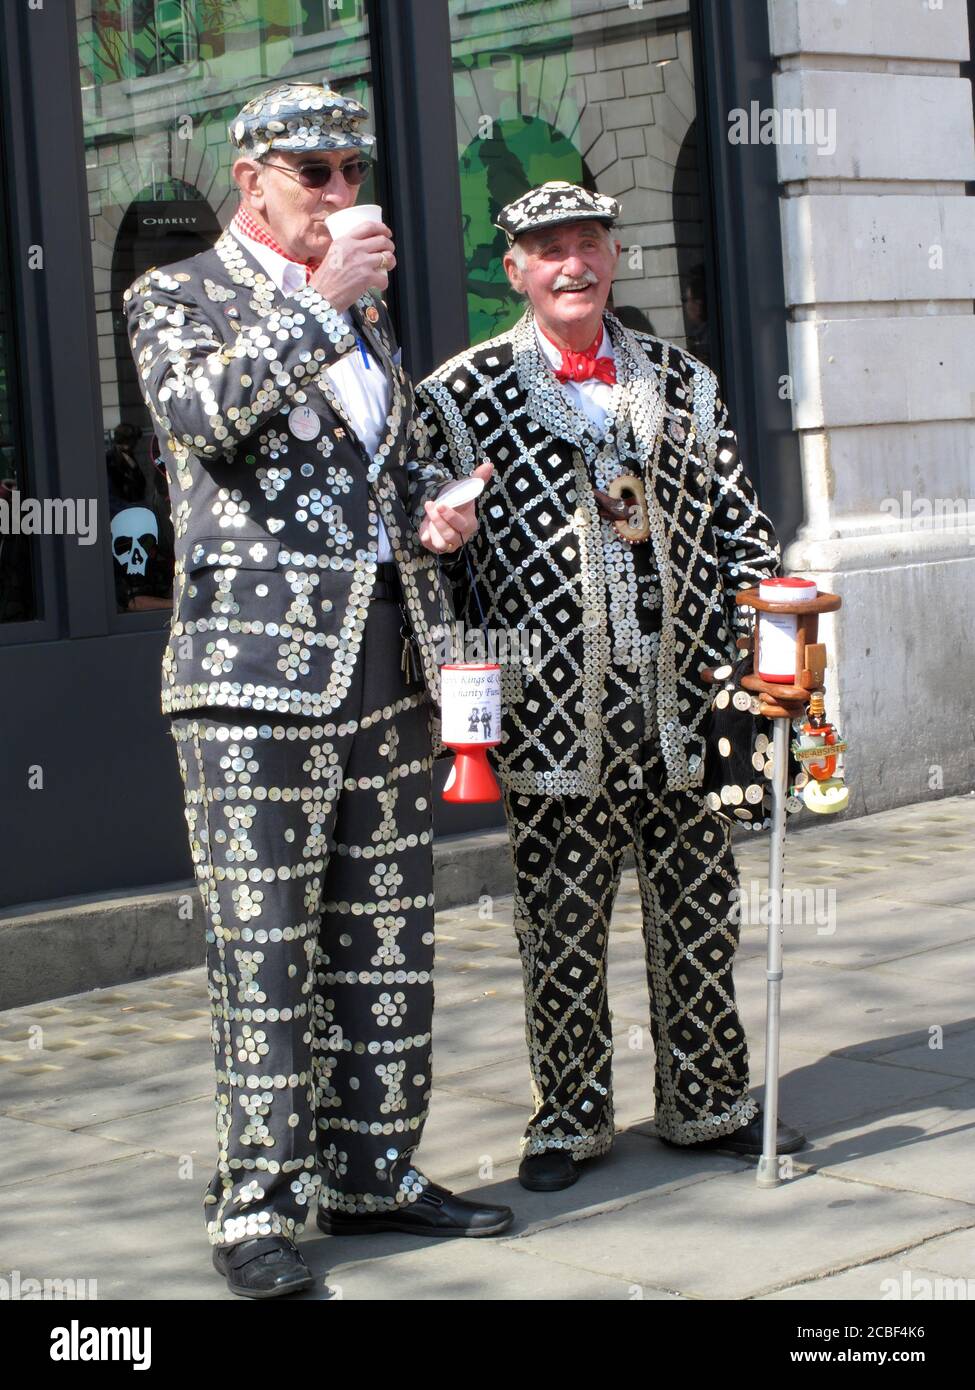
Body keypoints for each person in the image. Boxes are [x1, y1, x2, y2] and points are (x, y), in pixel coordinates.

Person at [124, 79, 505, 1300]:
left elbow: (365, 479)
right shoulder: (174, 296)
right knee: (267, 950)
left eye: (353, 171)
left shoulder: (370, 317)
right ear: (253, 182)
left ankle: (373, 1167)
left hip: (387, 669)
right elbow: (204, 419)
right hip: (250, 685)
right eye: (317, 174)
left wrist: (433, 523)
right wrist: (319, 303)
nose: (343, 193)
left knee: (387, 940)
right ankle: (257, 1203)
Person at [408, 181, 806, 1194]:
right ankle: (571, 1117)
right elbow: (434, 568)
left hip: (689, 699)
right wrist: (465, 712)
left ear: (615, 256)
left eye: (587, 244)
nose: (571, 264)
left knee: (699, 907)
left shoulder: (683, 380)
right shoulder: (461, 395)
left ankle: (709, 1097)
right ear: (515, 270)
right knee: (560, 922)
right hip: (551, 709)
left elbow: (741, 529)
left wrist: (773, 668)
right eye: (548, 250)